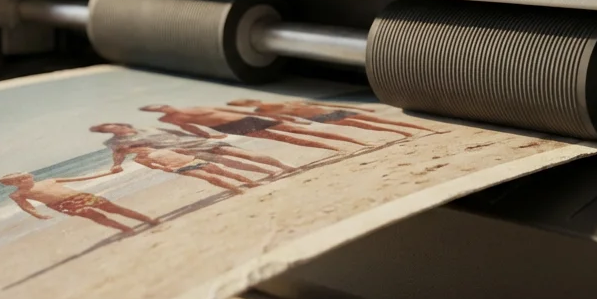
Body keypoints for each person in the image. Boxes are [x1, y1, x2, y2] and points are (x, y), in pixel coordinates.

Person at [89, 123, 296, 176]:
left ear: (118, 124)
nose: (112, 130)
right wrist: (115, 166)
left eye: (111, 126)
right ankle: (268, 172)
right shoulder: (115, 142)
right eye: (106, 130)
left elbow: (176, 131)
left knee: (239, 153)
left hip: (194, 143)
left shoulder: (147, 128)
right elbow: (118, 154)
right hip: (180, 153)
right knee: (228, 162)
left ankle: (283, 166)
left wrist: (208, 135)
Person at [58, 137, 256, 193]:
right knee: (211, 178)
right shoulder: (138, 158)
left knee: (221, 171)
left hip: (191, 160)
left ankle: (249, 182)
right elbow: (155, 166)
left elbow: (178, 147)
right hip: (178, 167)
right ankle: (236, 189)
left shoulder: (152, 145)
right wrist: (166, 168)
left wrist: (190, 152)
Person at [139, 104, 369, 150]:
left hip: (245, 119)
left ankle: (355, 142)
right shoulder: (168, 120)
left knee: (298, 131)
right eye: (154, 109)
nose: (160, 108)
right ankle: (334, 149)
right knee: (288, 139)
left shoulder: (192, 106)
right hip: (230, 126)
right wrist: (208, 138)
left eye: (159, 105)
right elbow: (191, 128)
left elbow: (230, 109)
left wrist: (272, 115)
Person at [0, 172, 157, 235]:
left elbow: (81, 178)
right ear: (12, 184)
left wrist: (109, 173)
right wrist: (37, 214)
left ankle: (148, 219)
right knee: (96, 216)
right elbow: (25, 206)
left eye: (27, 176)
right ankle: (126, 229)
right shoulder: (17, 194)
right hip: (62, 204)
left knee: (114, 208)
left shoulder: (49, 180)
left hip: (79, 196)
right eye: (20, 180)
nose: (26, 180)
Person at [225, 99, 434, 137]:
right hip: (321, 117)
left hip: (324, 112)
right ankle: (402, 133)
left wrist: (353, 106)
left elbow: (310, 103)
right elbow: (289, 119)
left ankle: (418, 130)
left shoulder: (283, 101)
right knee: (369, 127)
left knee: (378, 122)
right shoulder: (261, 112)